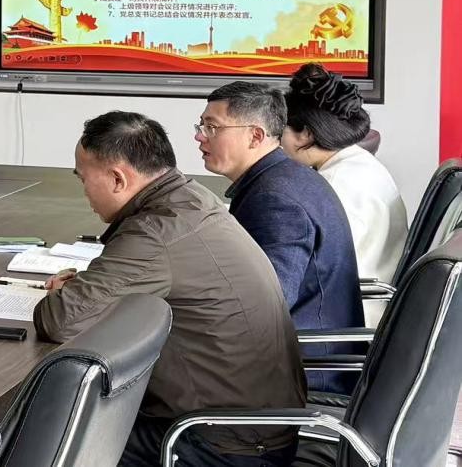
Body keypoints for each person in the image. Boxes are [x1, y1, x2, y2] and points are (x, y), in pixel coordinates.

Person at [35, 111, 305, 467]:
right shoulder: (190, 198)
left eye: (83, 179)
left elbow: (61, 321)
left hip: (220, 442)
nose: (83, 190)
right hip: (257, 423)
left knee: (44, 437)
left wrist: (61, 295)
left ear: (118, 178)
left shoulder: (155, 231)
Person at [198, 81, 363, 394]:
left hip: (305, 373)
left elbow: (266, 304)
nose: (200, 136)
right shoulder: (284, 177)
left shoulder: (275, 199)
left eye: (212, 127)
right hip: (300, 355)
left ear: (255, 136)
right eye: (202, 126)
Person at [281, 63, 407, 326]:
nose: (278, 141)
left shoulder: (333, 184)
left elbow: (304, 272)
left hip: (345, 320)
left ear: (306, 134)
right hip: (369, 304)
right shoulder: (361, 162)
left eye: (281, 129)